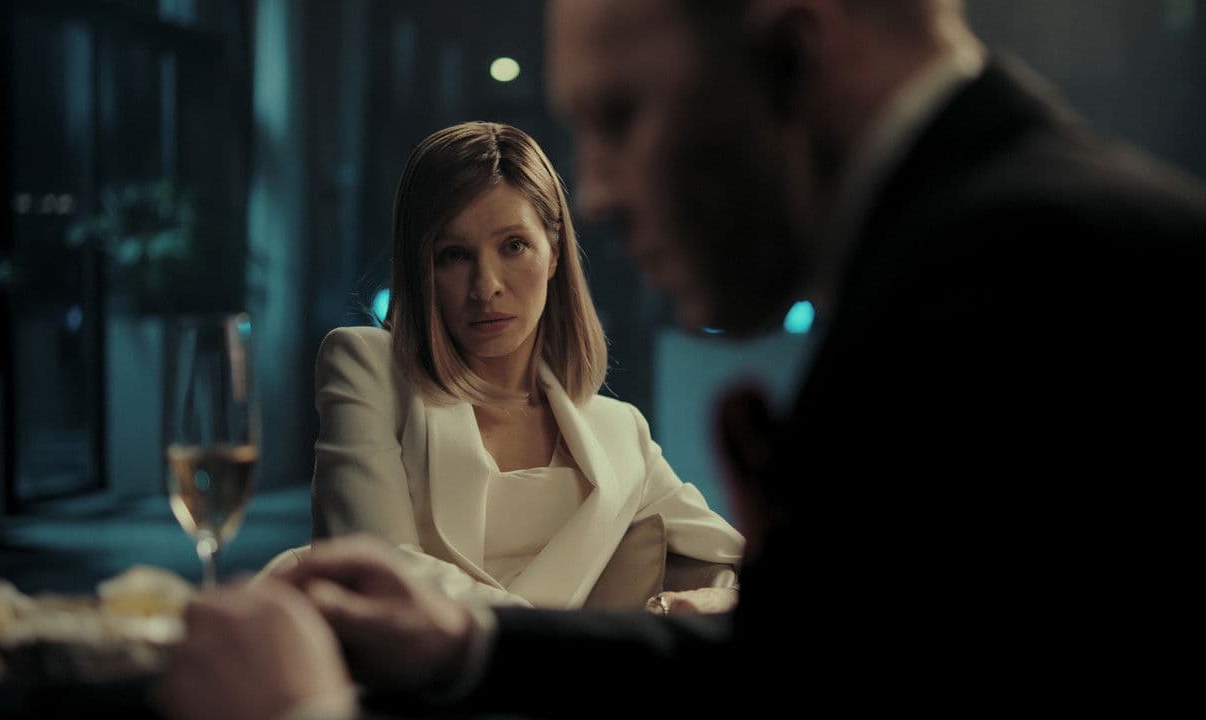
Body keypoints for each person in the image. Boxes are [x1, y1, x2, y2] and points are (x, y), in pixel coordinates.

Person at [161, 1, 1206, 717]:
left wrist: (300, 712)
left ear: (792, 48)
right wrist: (467, 647)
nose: (598, 195)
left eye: (621, 115)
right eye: (452, 255)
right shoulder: (971, 250)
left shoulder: (1024, 275)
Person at [300, 121, 743, 611]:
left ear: (554, 252)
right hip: (419, 659)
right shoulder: (367, 367)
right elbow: (376, 571)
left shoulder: (619, 432)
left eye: (513, 246)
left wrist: (697, 606)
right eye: (453, 255)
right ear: (420, 267)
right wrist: (561, 640)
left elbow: (743, 564)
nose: (485, 286)